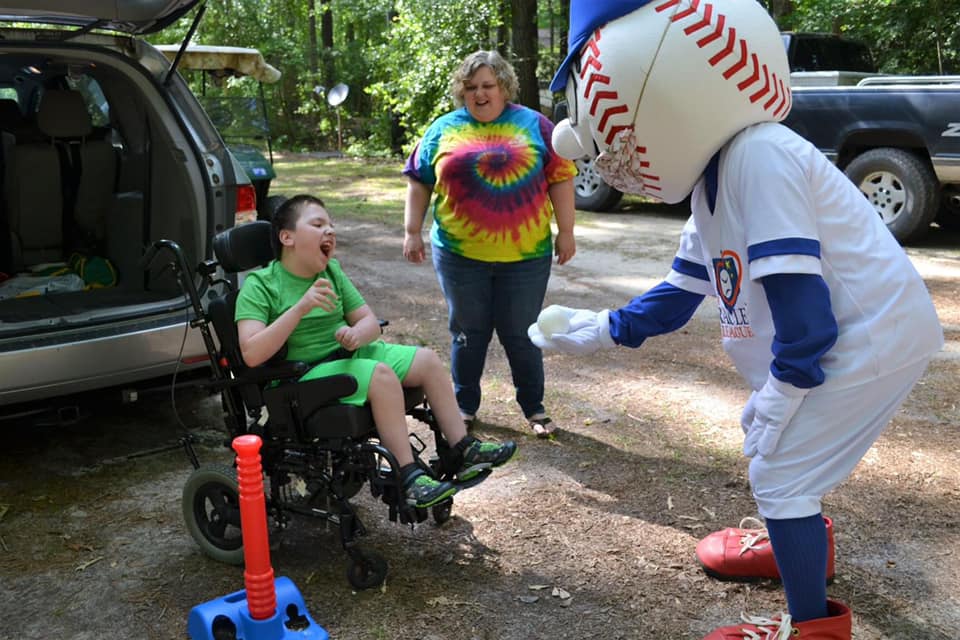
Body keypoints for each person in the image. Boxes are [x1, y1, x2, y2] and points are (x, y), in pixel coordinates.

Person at [534, 2, 944, 639]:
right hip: (843, 338)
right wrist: (603, 326)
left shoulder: (760, 157)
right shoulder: (713, 176)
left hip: (871, 337)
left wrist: (786, 387)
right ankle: (804, 545)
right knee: (786, 468)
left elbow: (804, 310)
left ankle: (813, 627)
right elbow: (681, 292)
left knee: (777, 472)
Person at [234, 194, 517, 509]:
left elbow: (369, 322)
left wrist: (356, 334)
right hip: (303, 376)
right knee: (380, 376)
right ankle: (409, 477)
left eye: (331, 225)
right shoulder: (260, 286)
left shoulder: (331, 272)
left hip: (349, 358)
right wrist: (301, 307)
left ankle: (461, 451)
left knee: (426, 360)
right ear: (286, 237)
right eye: (317, 224)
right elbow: (251, 353)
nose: (329, 231)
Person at [402, 49, 578, 438]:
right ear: (461, 92)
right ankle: (464, 407)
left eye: (487, 86)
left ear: (504, 87)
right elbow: (418, 179)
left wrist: (566, 231)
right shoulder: (443, 128)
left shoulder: (536, 124)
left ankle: (534, 408)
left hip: (525, 257)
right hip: (459, 255)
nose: (480, 94)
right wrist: (412, 230)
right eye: (471, 87)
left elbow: (561, 177)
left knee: (522, 332)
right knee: (468, 331)